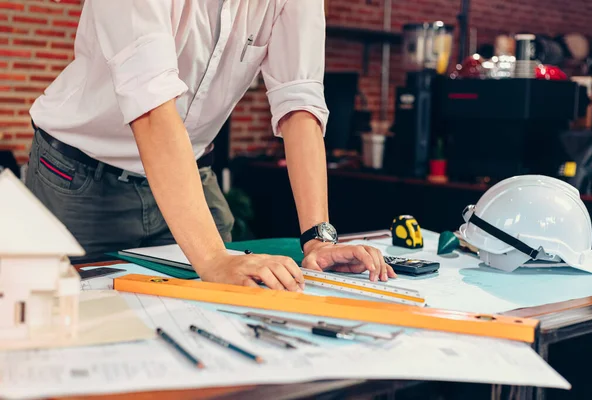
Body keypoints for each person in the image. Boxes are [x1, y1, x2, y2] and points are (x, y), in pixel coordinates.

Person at [25, 0, 396, 291]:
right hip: (80, 178)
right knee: (70, 321)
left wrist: (318, 240)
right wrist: (214, 258)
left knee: (216, 313)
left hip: (191, 174)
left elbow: (300, 103)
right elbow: (152, 108)